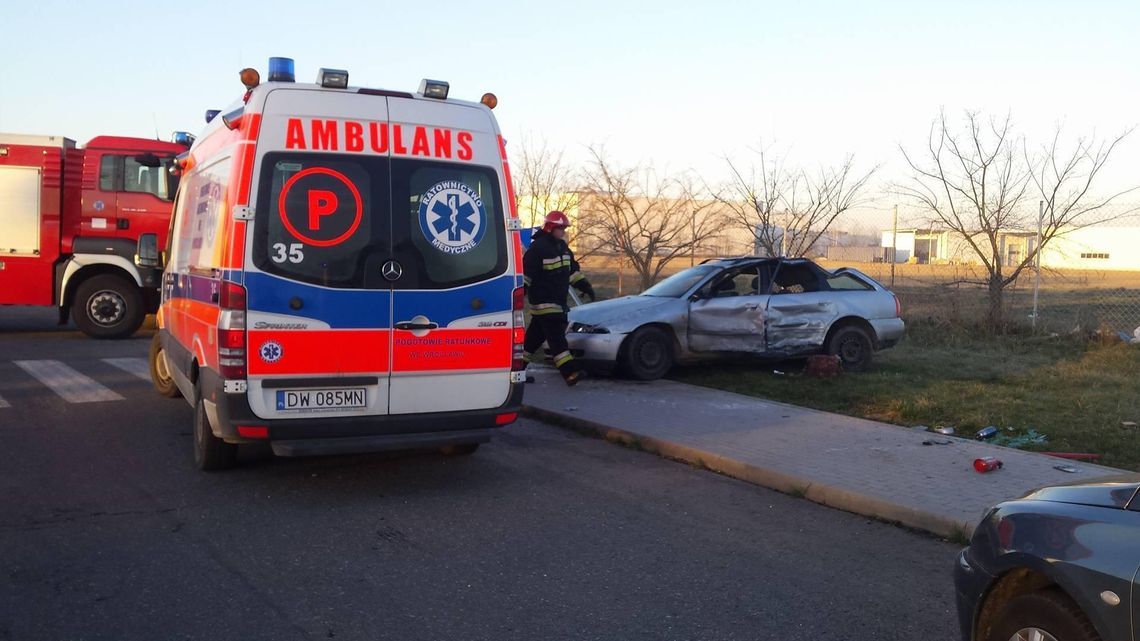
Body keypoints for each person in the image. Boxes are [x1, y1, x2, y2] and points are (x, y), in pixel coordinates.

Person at [522, 211, 596, 386]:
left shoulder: (562, 247)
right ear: (550, 228)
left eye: (564, 228)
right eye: (560, 228)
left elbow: (572, 271)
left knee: (530, 343)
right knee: (557, 341)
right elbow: (526, 276)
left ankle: (515, 372)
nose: (563, 232)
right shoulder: (538, 249)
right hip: (546, 304)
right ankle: (570, 374)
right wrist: (519, 295)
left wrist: (585, 286)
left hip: (556, 304)